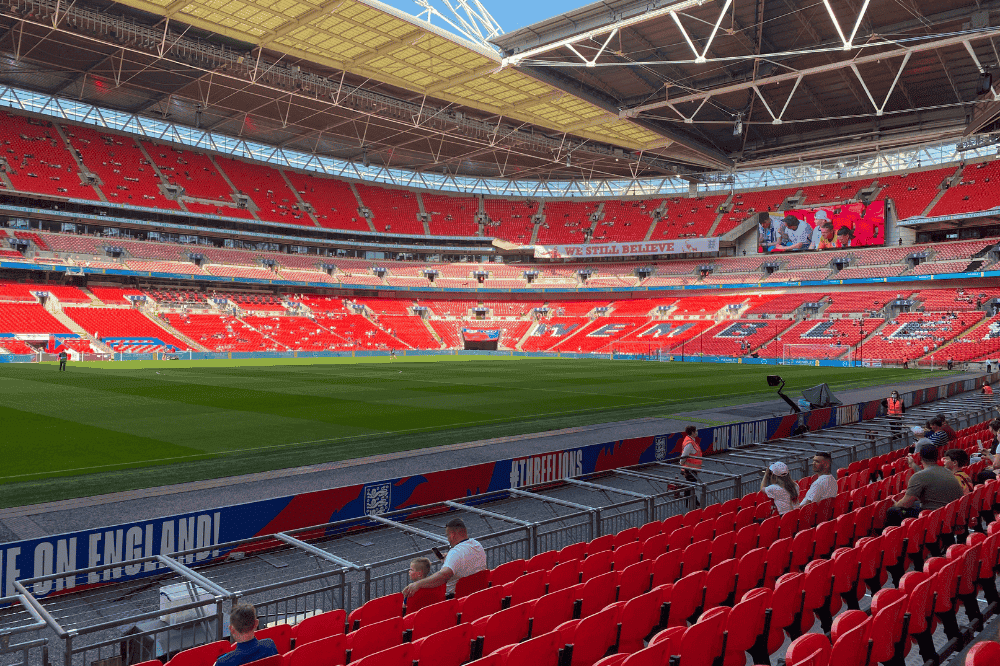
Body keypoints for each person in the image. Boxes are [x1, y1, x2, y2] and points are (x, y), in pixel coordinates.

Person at [402, 518, 486, 598]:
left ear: (452, 535)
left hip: (455, 598)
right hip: (477, 593)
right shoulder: (477, 544)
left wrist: (418, 584)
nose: (448, 539)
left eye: (447, 535)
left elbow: (443, 576)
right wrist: (448, 559)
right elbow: (466, 562)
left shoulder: (455, 553)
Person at [886, 444, 963, 527]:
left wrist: (896, 504)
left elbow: (906, 503)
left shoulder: (919, 476)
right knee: (915, 503)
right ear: (937, 456)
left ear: (920, 458)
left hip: (932, 516)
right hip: (949, 513)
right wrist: (913, 465)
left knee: (893, 511)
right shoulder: (947, 471)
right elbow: (927, 474)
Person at [679, 425, 703, 507]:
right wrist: (682, 465)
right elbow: (684, 455)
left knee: (690, 486)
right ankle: (691, 503)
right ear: (692, 432)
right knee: (691, 486)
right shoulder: (689, 443)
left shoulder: (692, 441)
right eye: (696, 431)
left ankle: (691, 502)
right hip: (689, 469)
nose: (697, 432)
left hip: (692, 469)